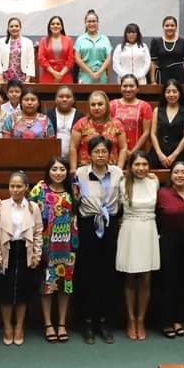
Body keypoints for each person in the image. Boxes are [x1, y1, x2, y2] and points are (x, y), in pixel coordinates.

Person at [75, 137, 123, 344]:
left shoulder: (118, 173)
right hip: (88, 225)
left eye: (104, 151)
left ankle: (105, 321)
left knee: (107, 275)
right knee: (87, 274)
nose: (101, 155)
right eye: (97, 151)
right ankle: (87, 322)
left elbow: (122, 200)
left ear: (110, 154)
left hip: (110, 225)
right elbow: (76, 200)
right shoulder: (81, 173)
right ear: (89, 154)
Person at [0, 171, 43, 346]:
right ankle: (7, 327)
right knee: (5, 292)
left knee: (23, 292)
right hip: (7, 252)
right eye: (12, 186)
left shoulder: (33, 207)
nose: (15, 189)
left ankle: (19, 327)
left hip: (25, 251)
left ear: (26, 188)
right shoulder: (1, 206)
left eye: (19, 186)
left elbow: (38, 233)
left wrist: (37, 254)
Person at [31, 157, 78, 343]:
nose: (58, 173)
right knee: (47, 286)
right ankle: (48, 324)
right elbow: (24, 205)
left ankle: (62, 324)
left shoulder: (73, 190)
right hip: (46, 246)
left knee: (65, 286)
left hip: (68, 245)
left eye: (62, 169)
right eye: (54, 169)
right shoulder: (40, 189)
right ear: (48, 171)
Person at [115, 151, 159, 341]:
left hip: (149, 229)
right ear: (130, 166)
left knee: (146, 278)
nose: (141, 168)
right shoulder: (123, 182)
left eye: (144, 164)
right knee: (130, 277)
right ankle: (130, 320)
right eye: (137, 165)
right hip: (130, 230)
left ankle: (141, 320)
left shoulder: (154, 181)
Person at [156, 161, 184, 338]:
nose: (180, 175)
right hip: (168, 242)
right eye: (176, 172)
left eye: (183, 172)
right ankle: (165, 321)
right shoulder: (163, 193)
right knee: (168, 282)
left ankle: (177, 319)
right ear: (170, 175)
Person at [70, 90, 129, 169]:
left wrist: (119, 169)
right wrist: (73, 169)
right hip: (86, 170)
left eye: (100, 104)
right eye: (93, 105)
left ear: (106, 105)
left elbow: (123, 148)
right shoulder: (80, 124)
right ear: (89, 107)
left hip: (111, 170)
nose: (96, 108)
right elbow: (73, 147)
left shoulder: (117, 124)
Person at [110, 75, 154, 160]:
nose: (128, 89)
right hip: (116, 150)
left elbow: (146, 132)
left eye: (131, 86)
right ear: (120, 87)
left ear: (137, 89)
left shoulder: (145, 106)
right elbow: (109, 130)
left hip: (138, 152)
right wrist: (124, 150)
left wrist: (133, 152)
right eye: (125, 86)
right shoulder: (112, 105)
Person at [150, 79, 184, 169]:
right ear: (164, 94)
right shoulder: (157, 110)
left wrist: (174, 155)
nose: (171, 95)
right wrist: (159, 154)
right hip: (158, 153)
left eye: (174, 92)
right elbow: (153, 134)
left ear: (179, 93)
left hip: (178, 154)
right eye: (168, 92)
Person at [75, 9, 113, 84]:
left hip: (101, 77)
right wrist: (91, 73)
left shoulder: (105, 39)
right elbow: (77, 59)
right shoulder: (80, 39)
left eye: (94, 21)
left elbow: (108, 59)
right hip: (85, 77)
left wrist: (99, 72)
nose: (91, 23)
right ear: (85, 23)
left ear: (97, 23)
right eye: (89, 21)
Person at [149, 15, 184, 85]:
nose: (169, 28)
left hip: (179, 76)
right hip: (162, 76)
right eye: (167, 25)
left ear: (176, 27)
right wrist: (153, 81)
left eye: (172, 25)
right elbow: (153, 62)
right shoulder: (156, 42)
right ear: (163, 27)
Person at [47, 86, 84, 160]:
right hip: (52, 158)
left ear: (73, 100)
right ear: (55, 99)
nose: (64, 99)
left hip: (74, 158)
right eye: (61, 96)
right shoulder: (48, 115)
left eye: (68, 97)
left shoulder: (80, 116)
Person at [0, 16, 35, 83]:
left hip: (22, 77)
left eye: (16, 26)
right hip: (6, 77)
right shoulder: (2, 41)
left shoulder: (28, 42)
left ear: (20, 28)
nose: (14, 28)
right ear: (8, 28)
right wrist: (0, 78)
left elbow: (31, 61)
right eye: (11, 26)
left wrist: (27, 79)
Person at [37, 15, 74, 83]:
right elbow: (41, 58)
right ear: (49, 27)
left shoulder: (68, 40)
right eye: (53, 24)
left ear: (61, 27)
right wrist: (54, 72)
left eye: (58, 24)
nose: (55, 26)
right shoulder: (43, 40)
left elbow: (71, 60)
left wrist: (61, 74)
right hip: (48, 75)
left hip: (65, 76)